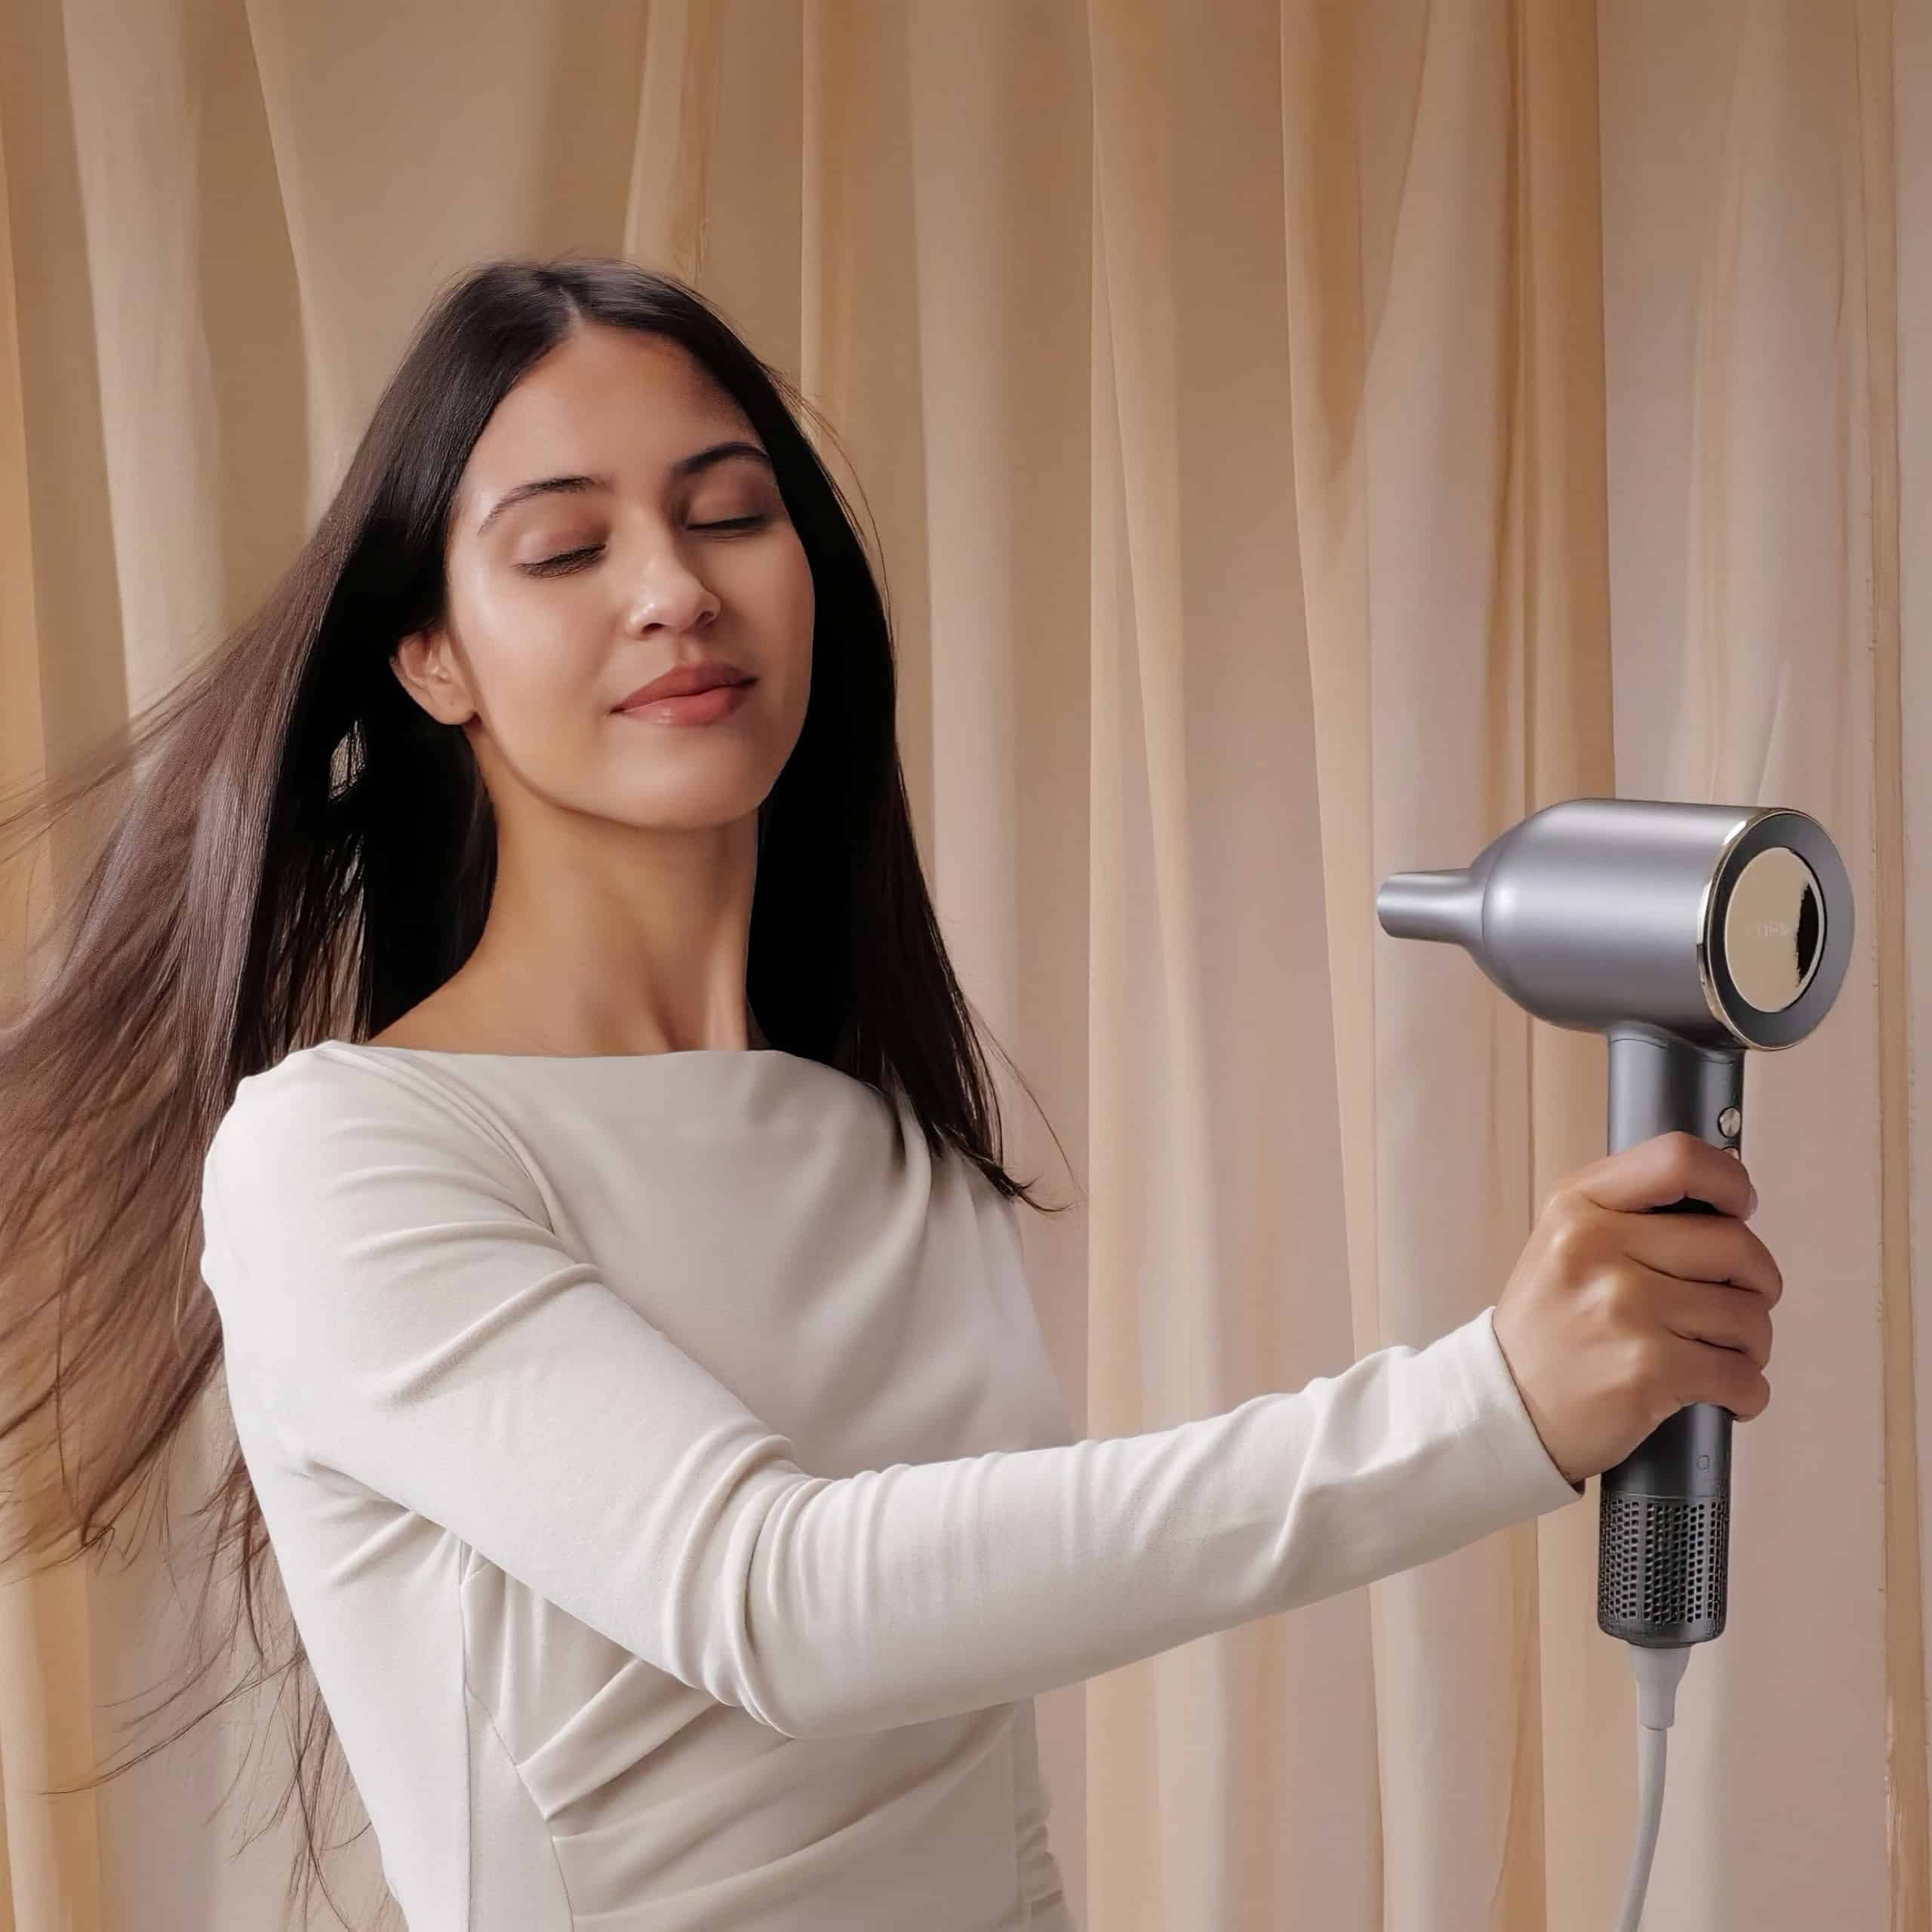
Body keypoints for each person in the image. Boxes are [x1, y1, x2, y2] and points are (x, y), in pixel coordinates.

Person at [0, 256, 1780, 1932]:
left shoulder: (887, 1145)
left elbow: (977, 1811)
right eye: (564, 548)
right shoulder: (344, 1152)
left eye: (727, 513)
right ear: (431, 655)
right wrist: (1486, 1407)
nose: (672, 588)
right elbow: (778, 1600)